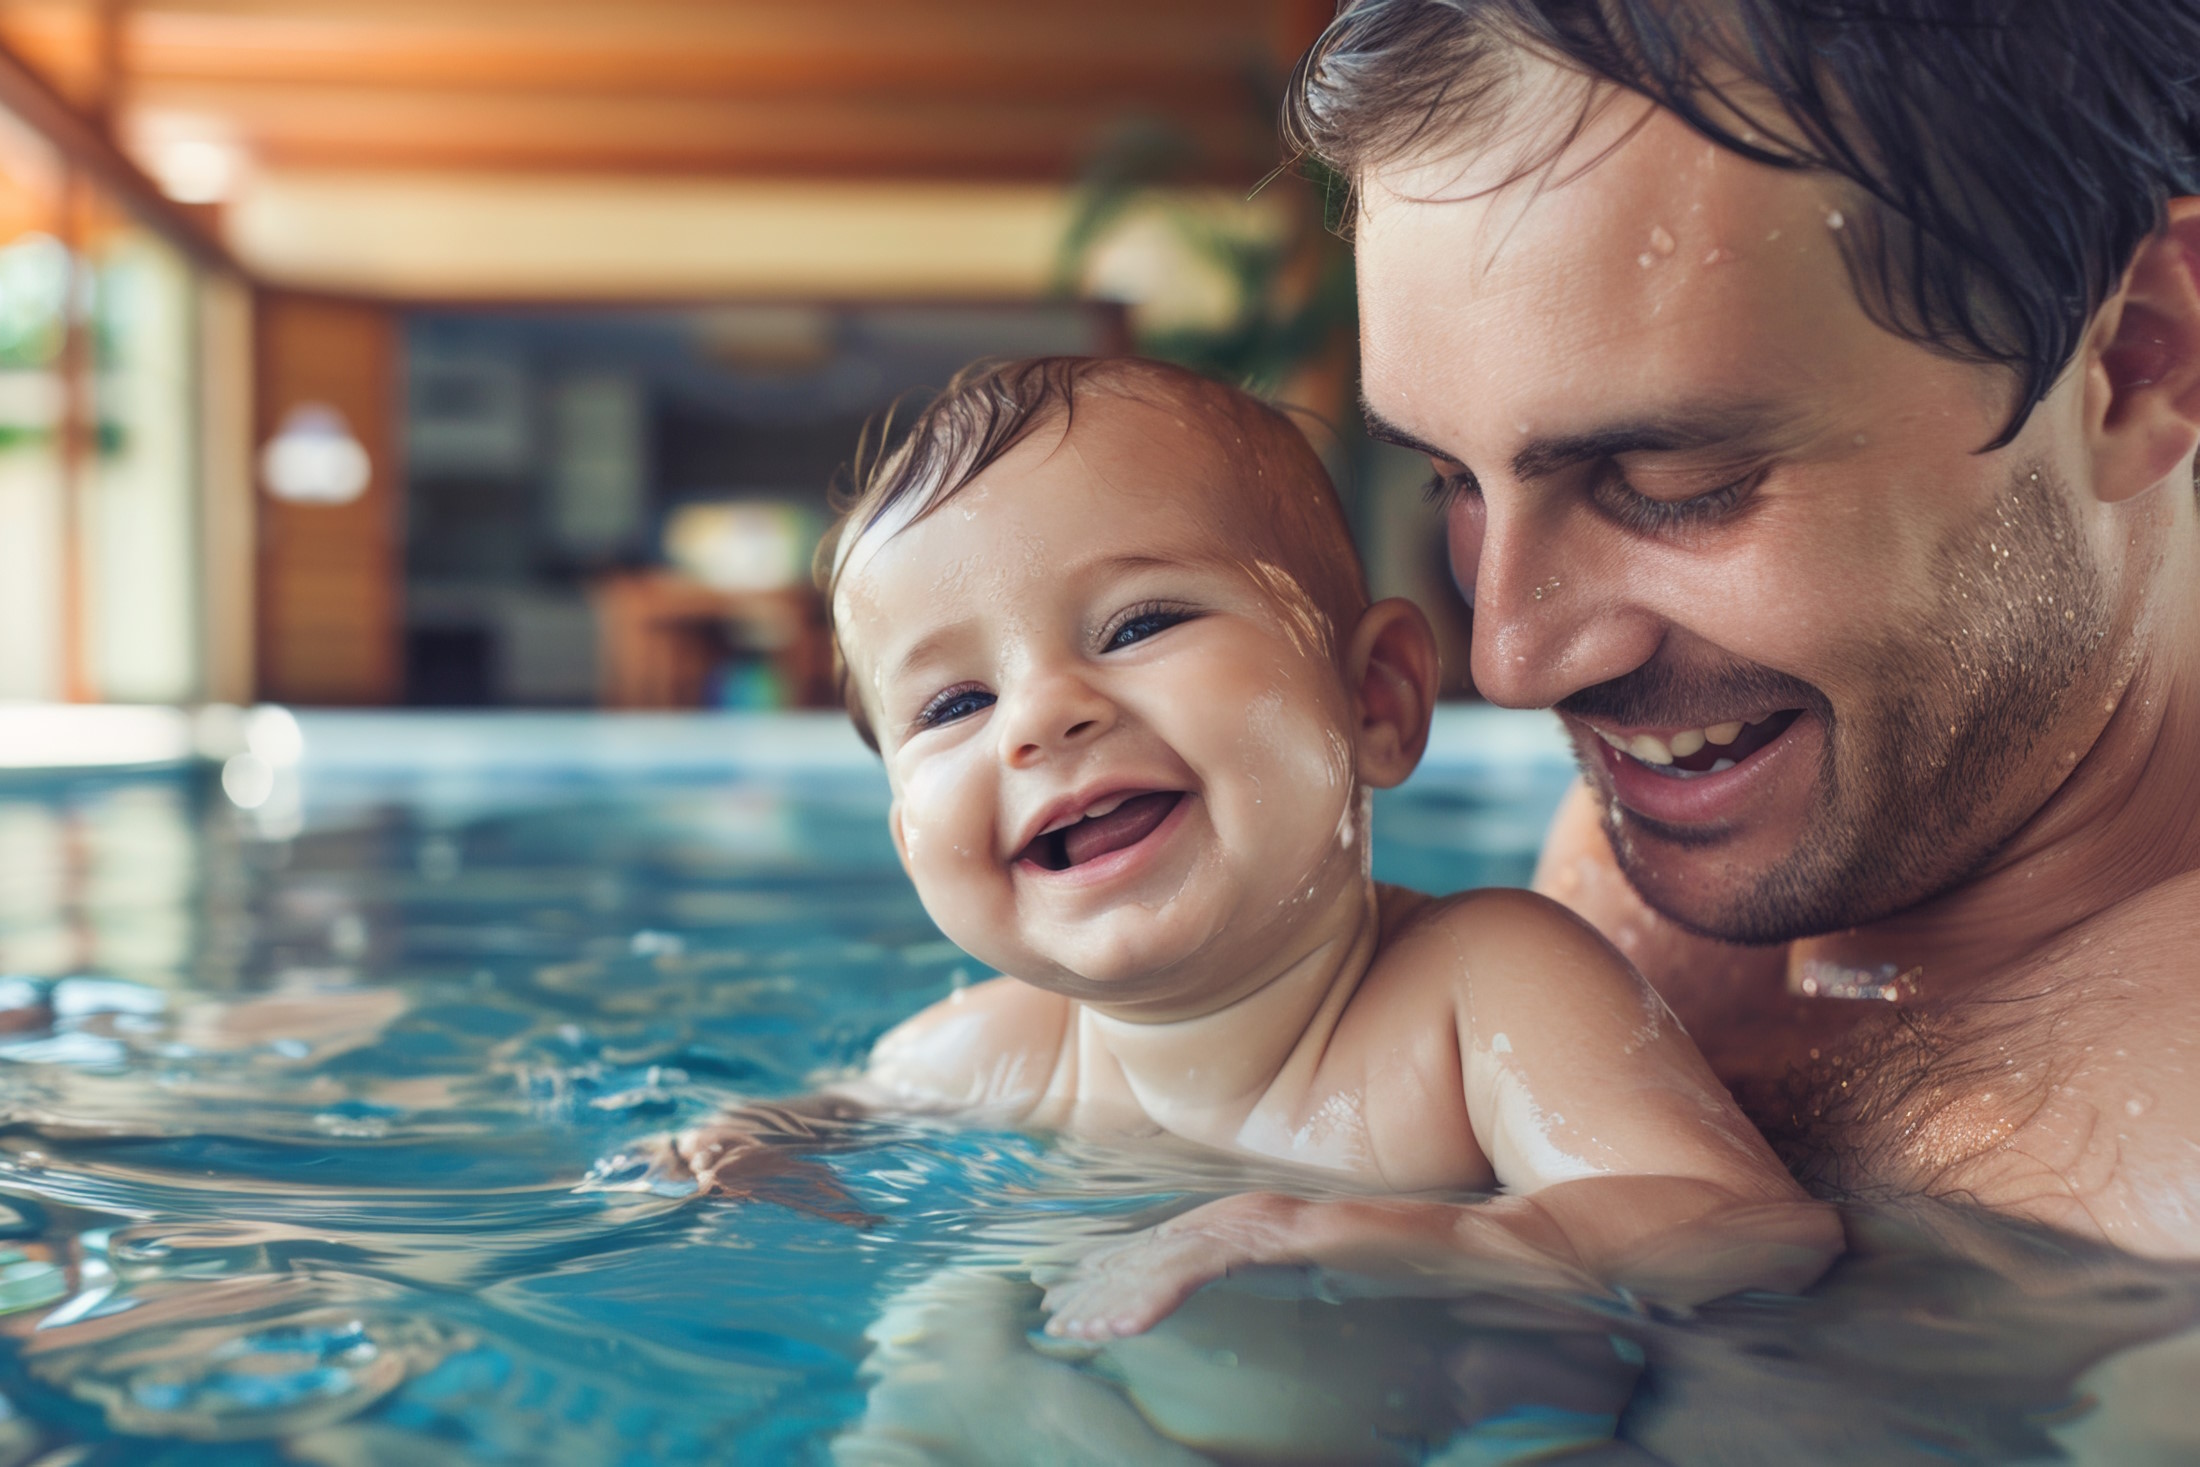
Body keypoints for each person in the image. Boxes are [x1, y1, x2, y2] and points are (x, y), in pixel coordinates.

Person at [667, 356, 1836, 1348]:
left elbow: (1737, 1231)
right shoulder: (987, 1050)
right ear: (905, 834)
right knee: (948, 1333)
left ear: (1373, 700)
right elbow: (827, 1118)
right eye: (952, 703)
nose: (1037, 717)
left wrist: (1365, 1236)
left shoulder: (1483, 990)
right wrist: (741, 1146)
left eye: (1139, 624)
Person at [1279, 0, 2200, 1255]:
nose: (1510, 657)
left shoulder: (2161, 1171)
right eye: (1456, 482)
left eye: (1671, 480)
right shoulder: (1709, 821)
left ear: (2142, 360)